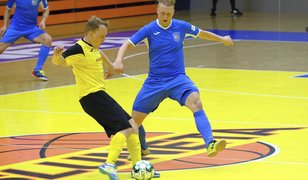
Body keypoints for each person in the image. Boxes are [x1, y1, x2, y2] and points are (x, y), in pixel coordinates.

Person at [114, 0, 233, 160]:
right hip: (154, 82)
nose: (165, 17)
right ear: (157, 10)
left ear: (173, 12)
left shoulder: (180, 26)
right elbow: (126, 44)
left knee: (196, 103)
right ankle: (142, 149)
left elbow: (202, 33)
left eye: (168, 14)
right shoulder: (149, 29)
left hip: (178, 79)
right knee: (134, 122)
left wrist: (222, 39)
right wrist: (119, 60)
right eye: (162, 13)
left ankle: (210, 143)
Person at [51, 16, 160, 180]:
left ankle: (138, 168)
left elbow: (99, 54)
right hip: (91, 97)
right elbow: (59, 62)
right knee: (125, 128)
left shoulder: (93, 48)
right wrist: (56, 55)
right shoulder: (77, 49)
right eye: (102, 36)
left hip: (99, 95)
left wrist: (111, 67)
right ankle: (109, 165)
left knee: (133, 125)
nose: (104, 39)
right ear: (90, 34)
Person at [0, 0, 52, 81]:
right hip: (15, 27)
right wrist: (5, 26)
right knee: (1, 49)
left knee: (47, 40)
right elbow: (8, 9)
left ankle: (37, 70)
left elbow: (46, 9)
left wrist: (43, 21)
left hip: (31, 28)